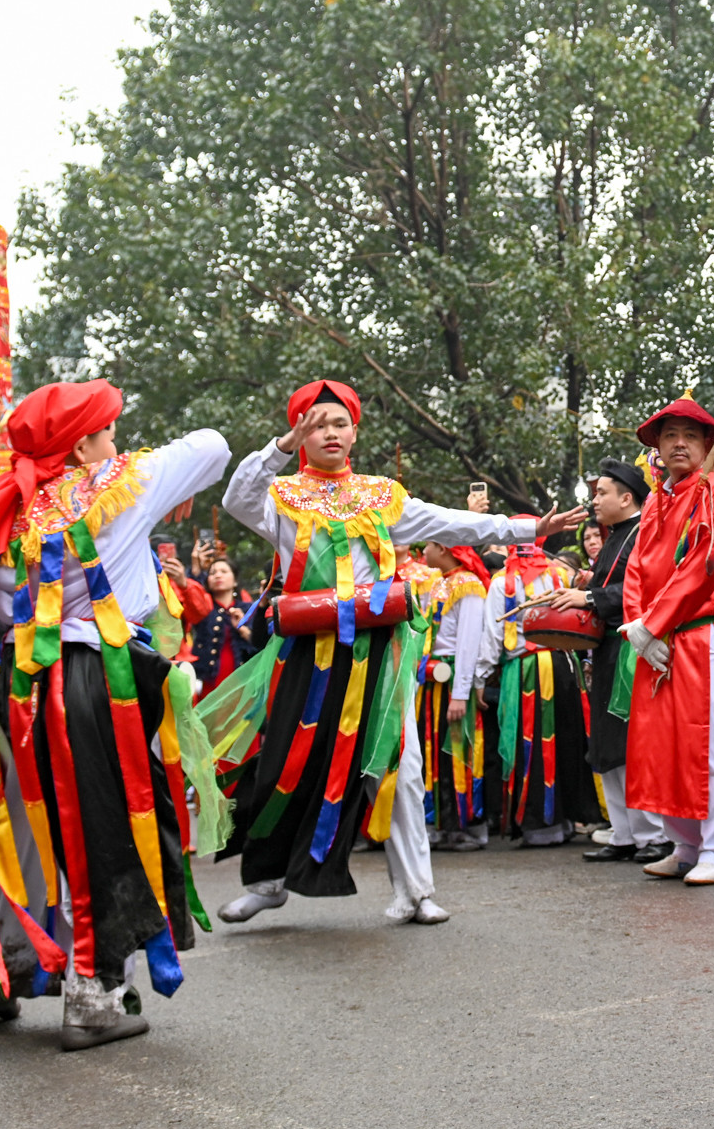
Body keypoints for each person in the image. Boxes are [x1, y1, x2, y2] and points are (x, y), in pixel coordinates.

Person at [215, 379, 582, 926]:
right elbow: (236, 498)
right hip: (306, 654)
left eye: (339, 422)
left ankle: (415, 892)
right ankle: (267, 883)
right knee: (286, 766)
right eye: (315, 423)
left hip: (378, 655)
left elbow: (449, 522)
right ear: (299, 432)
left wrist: (525, 527)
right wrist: (279, 449)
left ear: (355, 431)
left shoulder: (381, 497)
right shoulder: (280, 499)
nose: (329, 432)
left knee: (402, 769)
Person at [0, 378, 229, 1049]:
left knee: (21, 826)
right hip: (98, 681)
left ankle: (0, 966)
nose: (118, 440)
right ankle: (92, 995)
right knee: (106, 829)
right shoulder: (117, 484)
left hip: (19, 692)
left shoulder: (2, 514)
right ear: (85, 444)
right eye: (108, 429)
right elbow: (213, 445)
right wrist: (150, 481)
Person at [617, 397, 714, 887]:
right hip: (656, 638)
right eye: (670, 435)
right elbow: (636, 568)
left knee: (710, 745)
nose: (679, 443)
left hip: (706, 636)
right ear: (657, 446)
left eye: (691, 436)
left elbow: (705, 566)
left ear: (709, 446)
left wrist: (651, 625)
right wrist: (639, 626)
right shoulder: (656, 500)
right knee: (665, 746)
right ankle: (685, 846)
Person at [539, 463, 670, 864]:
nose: (595, 501)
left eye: (602, 494)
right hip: (609, 649)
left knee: (632, 743)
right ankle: (625, 832)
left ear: (627, 498)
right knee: (607, 744)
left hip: (633, 650)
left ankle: (653, 834)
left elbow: (643, 590)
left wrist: (591, 598)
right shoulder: (617, 536)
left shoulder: (645, 532)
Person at [472, 518, 601, 848]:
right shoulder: (559, 574)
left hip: (526, 669)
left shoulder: (503, 582)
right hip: (564, 664)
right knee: (568, 739)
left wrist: (480, 678)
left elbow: (492, 636)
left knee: (530, 741)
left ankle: (539, 824)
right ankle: (570, 819)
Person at [415, 541, 492, 851]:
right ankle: (441, 824)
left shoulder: (469, 585)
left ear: (444, 549)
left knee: (458, 752)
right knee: (433, 754)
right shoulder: (439, 584)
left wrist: (461, 693)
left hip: (452, 683)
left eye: (429, 546)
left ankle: (465, 826)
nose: (424, 553)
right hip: (433, 681)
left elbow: (469, 643)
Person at [190, 556, 257, 690]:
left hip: (243, 681)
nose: (218, 576)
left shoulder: (249, 609)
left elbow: (260, 643)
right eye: (213, 573)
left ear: (235, 581)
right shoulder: (204, 609)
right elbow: (192, 595)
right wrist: (196, 570)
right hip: (209, 681)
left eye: (224, 571)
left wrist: (242, 628)